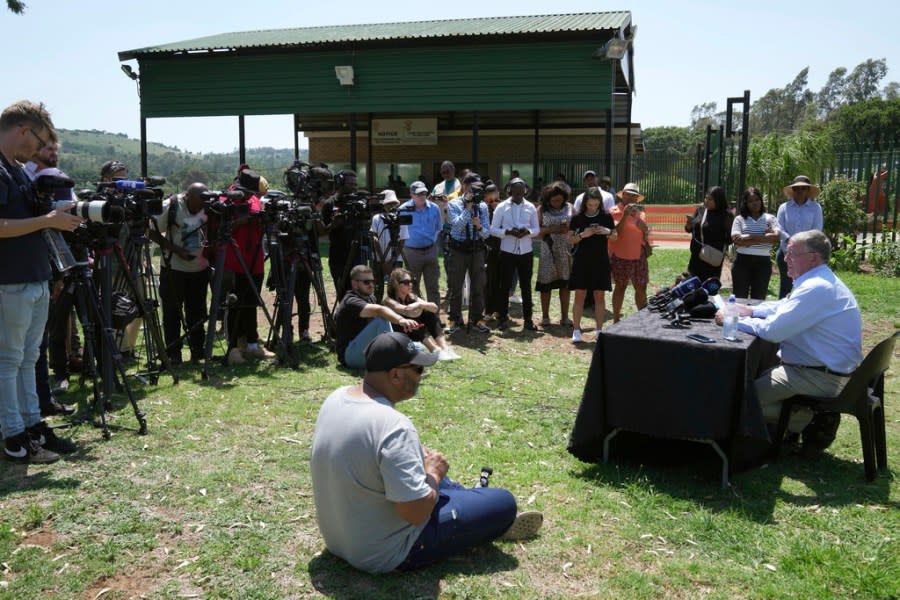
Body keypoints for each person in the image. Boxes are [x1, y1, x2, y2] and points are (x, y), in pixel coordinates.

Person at [310, 331, 542, 573]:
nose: (423, 376)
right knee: (503, 502)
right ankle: (489, 520)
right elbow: (416, 513)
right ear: (396, 375)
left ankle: (470, 503)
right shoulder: (393, 425)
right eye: (418, 370)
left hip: (340, 541)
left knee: (430, 471)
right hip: (386, 553)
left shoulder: (337, 397)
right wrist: (433, 475)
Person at [718, 230, 862, 456]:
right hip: (819, 370)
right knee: (748, 386)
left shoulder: (817, 288)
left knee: (738, 399)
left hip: (816, 375)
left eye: (792, 254)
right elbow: (785, 306)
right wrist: (753, 310)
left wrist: (735, 320)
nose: (785, 259)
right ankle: (797, 419)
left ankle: (811, 420)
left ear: (813, 257)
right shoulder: (818, 281)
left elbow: (774, 331)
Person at [1, 100, 82, 463]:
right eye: (38, 141)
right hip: (10, 282)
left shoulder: (16, 169)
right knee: (8, 361)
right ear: (23, 131)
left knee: (28, 358)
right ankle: (14, 436)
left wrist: (55, 215)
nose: (39, 151)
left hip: (32, 278)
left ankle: (34, 426)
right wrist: (48, 220)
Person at [23, 140, 76, 416]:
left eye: (56, 150)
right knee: (33, 344)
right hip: (31, 268)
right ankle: (34, 404)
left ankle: (42, 400)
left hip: (48, 267)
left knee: (39, 342)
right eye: (47, 149)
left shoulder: (53, 180)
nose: (53, 154)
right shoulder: (31, 180)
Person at [149, 182, 210, 365]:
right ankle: (173, 354)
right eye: (197, 204)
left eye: (202, 204)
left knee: (198, 312)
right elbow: (151, 231)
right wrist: (176, 249)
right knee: (172, 313)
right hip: (174, 269)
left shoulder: (209, 206)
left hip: (200, 270)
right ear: (187, 197)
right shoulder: (172, 205)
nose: (199, 208)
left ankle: (197, 351)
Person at [221, 168, 275, 365]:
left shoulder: (254, 200)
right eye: (248, 192)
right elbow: (222, 228)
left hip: (255, 259)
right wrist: (243, 220)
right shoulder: (226, 200)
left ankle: (252, 344)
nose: (251, 196)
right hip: (234, 259)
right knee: (234, 303)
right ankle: (234, 347)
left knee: (252, 302)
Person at [334, 265, 419, 369]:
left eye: (372, 281)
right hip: (350, 356)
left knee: (417, 347)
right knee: (381, 320)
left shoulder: (371, 298)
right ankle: (398, 364)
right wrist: (401, 320)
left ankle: (401, 360)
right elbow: (380, 311)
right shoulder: (350, 301)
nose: (371, 285)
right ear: (355, 284)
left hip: (367, 350)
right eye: (366, 282)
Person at [490, 177, 540, 331]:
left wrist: (528, 232)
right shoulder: (501, 207)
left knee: (526, 286)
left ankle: (528, 320)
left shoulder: (531, 207)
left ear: (525, 190)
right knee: (504, 286)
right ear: (509, 190)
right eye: (515, 191)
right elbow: (493, 229)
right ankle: (503, 318)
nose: (518, 194)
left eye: (521, 191)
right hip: (507, 252)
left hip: (526, 251)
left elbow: (537, 229)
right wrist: (508, 232)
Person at [568, 187, 616, 343]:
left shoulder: (606, 216)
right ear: (584, 203)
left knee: (599, 296)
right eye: (590, 204)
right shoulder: (577, 218)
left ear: (600, 203)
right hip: (582, 261)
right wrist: (583, 234)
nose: (593, 207)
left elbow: (615, 236)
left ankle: (599, 330)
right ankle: (576, 330)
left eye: (596, 204)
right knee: (580, 295)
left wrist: (606, 231)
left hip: (600, 261)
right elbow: (570, 239)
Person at [445, 177, 491, 334]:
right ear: (464, 187)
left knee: (478, 285)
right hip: (458, 250)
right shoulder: (453, 204)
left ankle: (477, 319)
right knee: (455, 286)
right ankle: (455, 319)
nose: (475, 193)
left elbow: (486, 233)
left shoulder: (483, 206)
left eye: (478, 190)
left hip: (476, 250)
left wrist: (478, 227)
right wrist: (467, 209)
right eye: (472, 190)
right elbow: (456, 227)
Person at [383, 268, 459, 360]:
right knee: (412, 320)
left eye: (412, 281)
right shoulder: (388, 301)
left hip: (413, 332)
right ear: (396, 284)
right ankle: (434, 349)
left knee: (429, 313)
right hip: (398, 335)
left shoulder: (412, 297)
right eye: (406, 282)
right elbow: (406, 311)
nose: (410, 284)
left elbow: (435, 308)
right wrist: (420, 308)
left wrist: (420, 304)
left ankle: (444, 348)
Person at [775, 175, 824, 298]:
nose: (800, 191)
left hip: (806, 255)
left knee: (805, 288)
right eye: (797, 188)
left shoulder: (815, 208)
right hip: (786, 253)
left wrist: (801, 245)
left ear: (808, 190)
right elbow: (778, 227)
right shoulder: (784, 207)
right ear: (793, 191)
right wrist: (790, 240)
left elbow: (817, 230)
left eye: (803, 188)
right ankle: (783, 314)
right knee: (785, 288)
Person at [608, 183, 650, 323]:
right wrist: (625, 215)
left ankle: (642, 319)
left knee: (641, 286)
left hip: (639, 254)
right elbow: (615, 233)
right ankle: (616, 319)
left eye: (634, 195)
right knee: (621, 286)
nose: (631, 197)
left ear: (637, 198)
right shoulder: (614, 211)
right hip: (621, 255)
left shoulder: (641, 213)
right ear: (623, 195)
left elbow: (645, 236)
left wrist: (645, 230)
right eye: (628, 194)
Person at [534, 181, 573, 327]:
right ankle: (545, 317)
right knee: (546, 284)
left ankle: (565, 317)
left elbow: (576, 225)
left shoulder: (570, 208)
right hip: (547, 250)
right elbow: (536, 232)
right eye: (553, 200)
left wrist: (569, 228)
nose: (556, 203)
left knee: (565, 284)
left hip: (566, 250)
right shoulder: (541, 210)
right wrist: (554, 229)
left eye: (559, 200)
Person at [397, 181, 442, 306]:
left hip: (430, 251)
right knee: (411, 287)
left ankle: (435, 318)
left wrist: (432, 241)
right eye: (419, 194)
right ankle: (416, 317)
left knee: (433, 286)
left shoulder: (434, 208)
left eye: (424, 193)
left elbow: (438, 228)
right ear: (411, 195)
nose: (422, 196)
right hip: (411, 252)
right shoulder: (403, 209)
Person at [730, 187, 780, 300]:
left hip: (763, 263)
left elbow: (776, 237)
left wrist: (749, 237)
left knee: (758, 299)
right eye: (751, 201)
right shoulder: (739, 219)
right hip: (742, 261)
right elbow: (737, 240)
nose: (755, 203)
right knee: (740, 298)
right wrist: (766, 238)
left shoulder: (770, 219)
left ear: (761, 201)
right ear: (745, 203)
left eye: (757, 200)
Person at [320, 169, 361, 300]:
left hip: (357, 255)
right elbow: (322, 232)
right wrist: (333, 224)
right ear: (340, 183)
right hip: (338, 256)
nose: (354, 187)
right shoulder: (329, 204)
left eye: (355, 184)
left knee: (360, 292)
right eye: (351, 184)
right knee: (343, 293)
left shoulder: (359, 202)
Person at [684, 186, 734, 282]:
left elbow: (730, 238)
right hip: (696, 256)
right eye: (706, 198)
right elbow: (689, 230)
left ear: (719, 201)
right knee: (692, 285)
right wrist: (689, 225)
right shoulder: (700, 210)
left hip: (712, 258)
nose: (706, 201)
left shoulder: (726, 215)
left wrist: (715, 243)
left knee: (710, 287)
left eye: (710, 199)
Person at [369, 189, 409, 275]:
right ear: (383, 204)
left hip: (396, 259)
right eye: (388, 203)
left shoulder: (401, 218)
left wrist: (392, 261)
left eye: (393, 203)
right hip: (379, 258)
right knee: (377, 285)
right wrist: (383, 261)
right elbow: (374, 239)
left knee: (396, 284)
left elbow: (402, 242)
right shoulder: (377, 218)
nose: (391, 206)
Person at [482, 182, 505, 321]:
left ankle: (500, 309)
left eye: (496, 199)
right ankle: (488, 310)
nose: (493, 203)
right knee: (489, 280)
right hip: (488, 249)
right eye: (490, 200)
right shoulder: (483, 210)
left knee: (502, 281)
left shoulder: (503, 208)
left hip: (503, 248)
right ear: (485, 199)